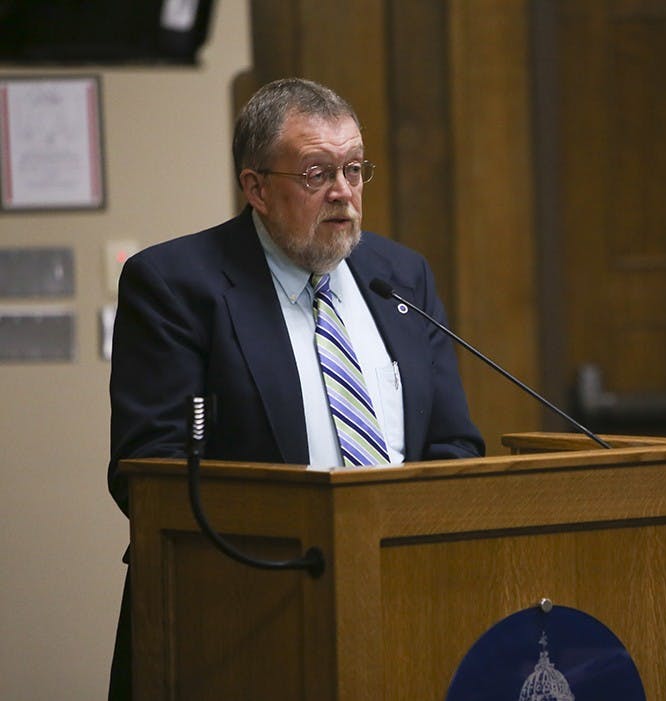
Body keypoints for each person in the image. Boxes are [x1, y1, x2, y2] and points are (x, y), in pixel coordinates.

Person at [106, 77, 484, 699]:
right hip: (237, 619)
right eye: (316, 174)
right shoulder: (176, 285)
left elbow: (453, 446)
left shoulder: (401, 276)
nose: (344, 193)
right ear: (255, 187)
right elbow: (151, 476)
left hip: (402, 606)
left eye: (355, 170)